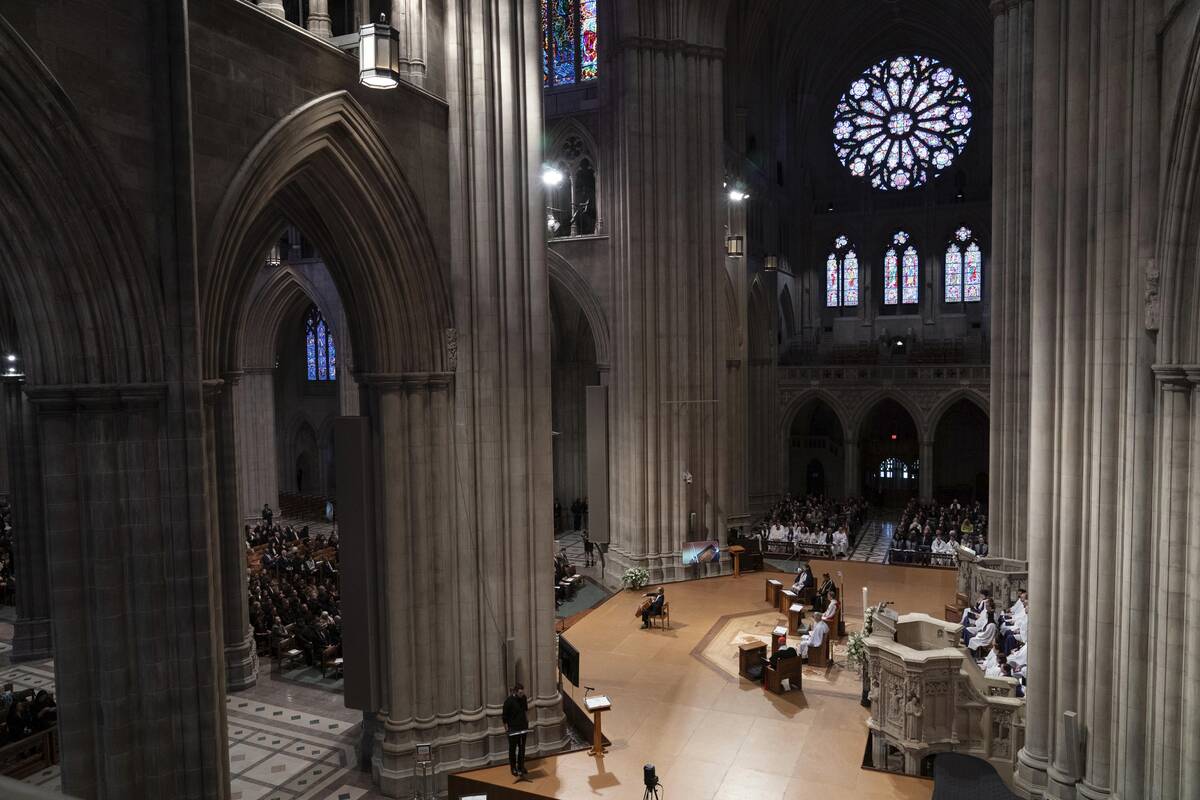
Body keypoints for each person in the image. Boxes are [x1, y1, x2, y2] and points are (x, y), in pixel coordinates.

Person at [502, 683, 529, 777]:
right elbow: (504, 717)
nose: (522, 695)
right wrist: (507, 730)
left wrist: (527, 722)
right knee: (512, 749)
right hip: (513, 729)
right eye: (520, 693)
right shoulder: (508, 701)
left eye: (522, 692)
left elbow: (525, 711)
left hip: (523, 727)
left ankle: (521, 766)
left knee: (522, 748)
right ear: (515, 692)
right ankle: (513, 767)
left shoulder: (524, 698)